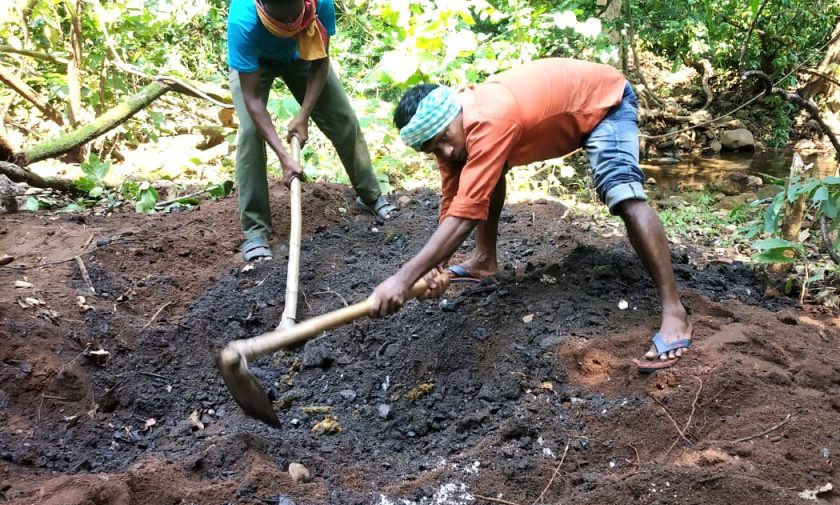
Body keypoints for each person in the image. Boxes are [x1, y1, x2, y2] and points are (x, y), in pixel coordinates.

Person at [369, 58, 695, 372]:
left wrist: (403, 278)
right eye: (433, 149)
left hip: (605, 102)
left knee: (623, 194)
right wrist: (434, 268)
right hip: (573, 109)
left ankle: (674, 311)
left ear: (455, 116)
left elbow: (465, 215)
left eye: (444, 140)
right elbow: (454, 200)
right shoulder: (450, 133)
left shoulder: (489, 118)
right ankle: (483, 261)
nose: (446, 152)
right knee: (479, 170)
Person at [226, 0, 394, 262]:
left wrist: (303, 115)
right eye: (283, 22)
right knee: (249, 134)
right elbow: (252, 100)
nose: (290, 25)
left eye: (295, 18)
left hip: (303, 54)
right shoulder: (242, 21)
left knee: (343, 119)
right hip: (256, 63)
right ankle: (255, 232)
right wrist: (284, 157)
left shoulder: (320, 3)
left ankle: (371, 196)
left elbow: (320, 64)